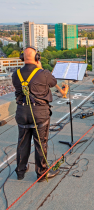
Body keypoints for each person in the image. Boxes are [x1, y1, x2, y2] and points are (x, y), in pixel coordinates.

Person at [12, 47, 59, 182]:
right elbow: (53, 82)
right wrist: (41, 67)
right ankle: (41, 173)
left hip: (22, 112)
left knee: (22, 142)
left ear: (22, 58)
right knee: (40, 143)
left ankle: (20, 172)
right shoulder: (42, 73)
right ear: (37, 58)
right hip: (39, 114)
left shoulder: (16, 74)